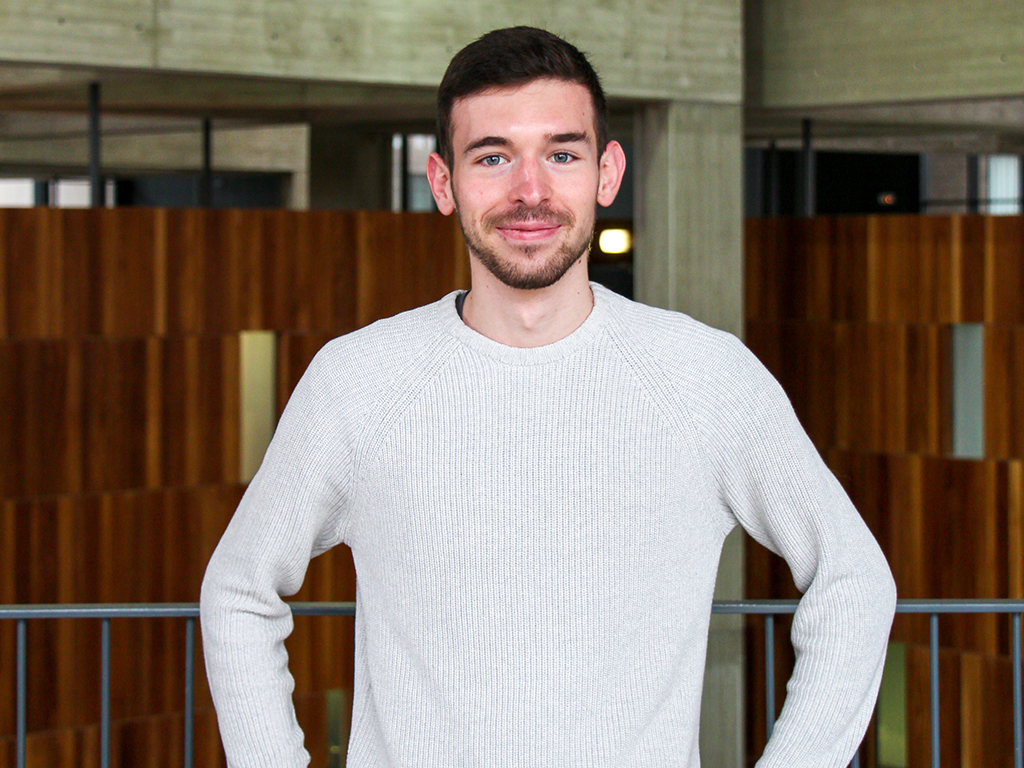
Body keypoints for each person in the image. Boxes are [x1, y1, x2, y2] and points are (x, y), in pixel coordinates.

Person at [201, 26, 897, 768]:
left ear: (607, 174)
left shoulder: (706, 376)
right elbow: (240, 591)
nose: (529, 191)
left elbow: (854, 580)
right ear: (443, 183)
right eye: (492, 157)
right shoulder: (358, 382)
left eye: (562, 155)